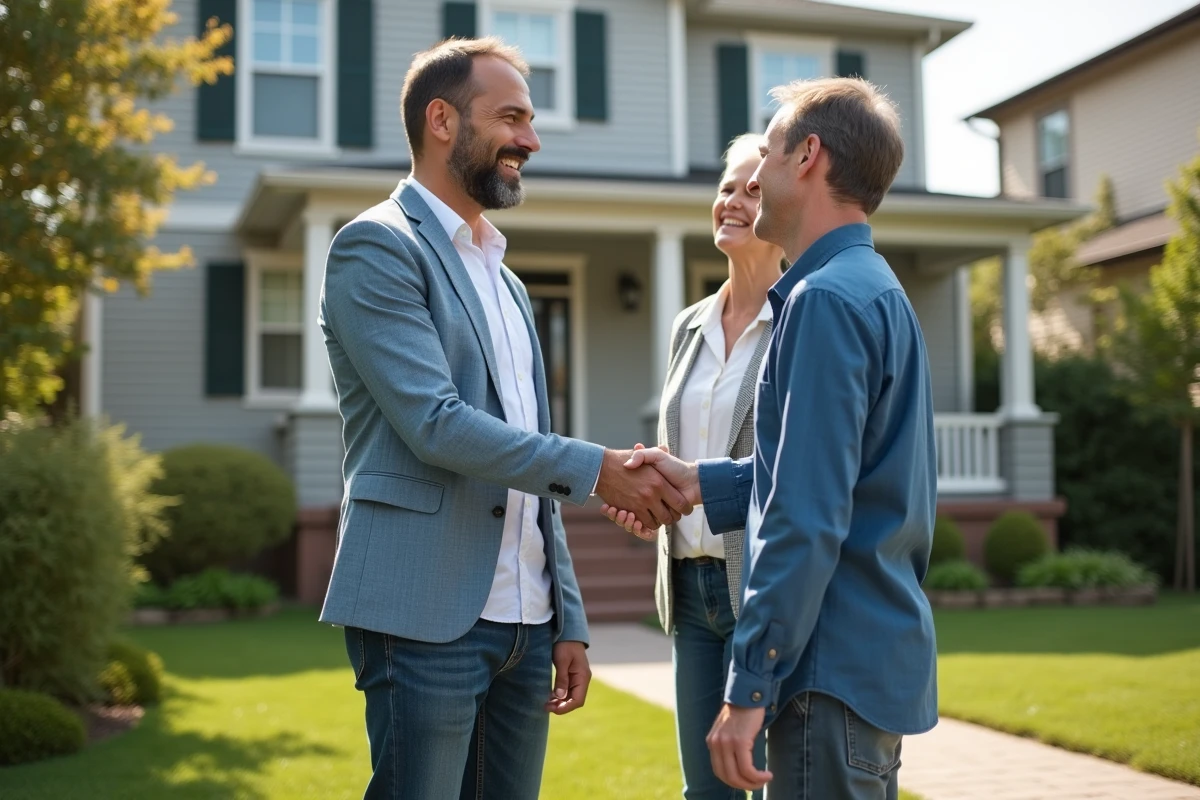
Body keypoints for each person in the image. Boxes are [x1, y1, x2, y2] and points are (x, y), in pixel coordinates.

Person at [318, 37, 691, 800]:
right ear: (442, 121)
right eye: (512, 117)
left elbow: (526, 459)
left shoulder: (509, 283)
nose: (531, 139)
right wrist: (601, 469)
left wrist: (567, 616)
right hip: (423, 613)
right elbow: (436, 423)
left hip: (524, 621)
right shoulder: (377, 248)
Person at [606, 77, 938, 800]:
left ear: (809, 156)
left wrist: (749, 683)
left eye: (772, 151)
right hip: (868, 664)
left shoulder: (821, 302)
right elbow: (825, 475)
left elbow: (805, 516)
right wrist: (703, 482)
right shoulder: (873, 286)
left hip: (824, 670)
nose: (754, 177)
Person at [653, 133, 783, 800]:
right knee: (704, 794)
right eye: (728, 186)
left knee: (772, 783)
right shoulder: (689, 326)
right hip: (690, 591)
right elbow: (682, 454)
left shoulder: (799, 317)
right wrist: (649, 500)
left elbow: (796, 466)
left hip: (760, 590)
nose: (732, 201)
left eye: (754, 190)